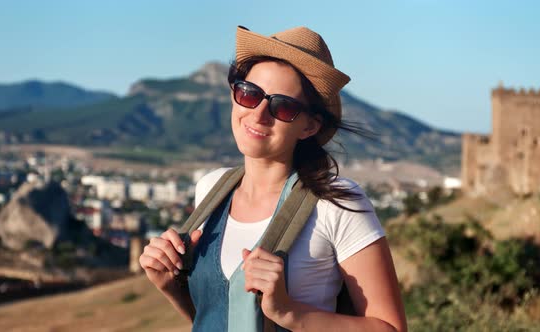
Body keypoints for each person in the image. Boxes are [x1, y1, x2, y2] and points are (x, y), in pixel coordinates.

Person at [140, 26, 407, 332]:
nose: (259, 114)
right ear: (234, 95)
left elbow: (391, 328)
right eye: (249, 94)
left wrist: (289, 312)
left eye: (283, 107)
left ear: (309, 126)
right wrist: (169, 285)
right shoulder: (211, 190)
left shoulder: (338, 203)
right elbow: (217, 320)